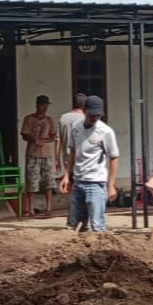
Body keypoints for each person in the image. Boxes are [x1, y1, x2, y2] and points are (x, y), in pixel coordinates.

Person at [59, 95, 119, 232]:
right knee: (76, 224)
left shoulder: (105, 132)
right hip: (78, 181)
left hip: (96, 183)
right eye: (92, 114)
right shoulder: (76, 127)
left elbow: (114, 157)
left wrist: (111, 185)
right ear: (84, 111)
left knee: (97, 224)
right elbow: (73, 151)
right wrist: (67, 176)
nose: (95, 118)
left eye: (98, 115)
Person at [21, 95, 58, 216]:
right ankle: (30, 208)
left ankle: (48, 207)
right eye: (43, 105)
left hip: (46, 154)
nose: (45, 107)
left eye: (46, 105)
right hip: (33, 153)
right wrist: (33, 139)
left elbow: (54, 136)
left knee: (49, 181)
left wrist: (44, 141)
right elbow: (24, 135)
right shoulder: (29, 119)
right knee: (32, 181)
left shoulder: (49, 120)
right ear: (37, 105)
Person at [56, 93, 86, 172]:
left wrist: (57, 159)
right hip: (83, 159)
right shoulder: (85, 119)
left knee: (69, 181)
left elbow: (58, 139)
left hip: (67, 158)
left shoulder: (63, 118)